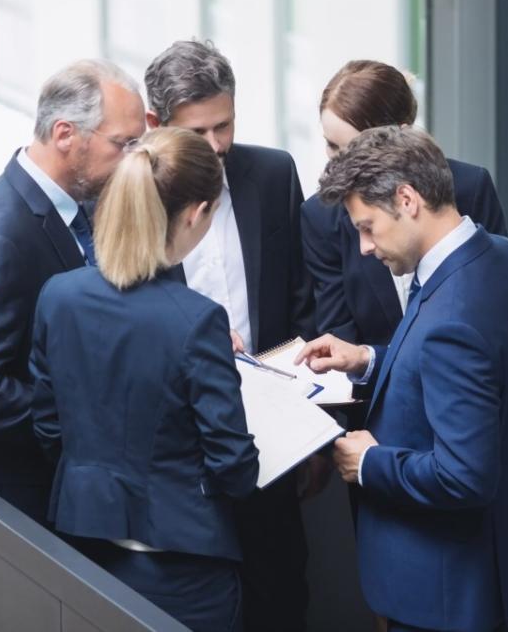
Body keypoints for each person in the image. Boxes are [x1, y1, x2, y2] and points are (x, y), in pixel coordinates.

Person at [296, 126, 508, 632]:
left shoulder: (451, 315)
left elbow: (463, 476)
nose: (365, 248)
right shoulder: (505, 260)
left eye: (368, 227)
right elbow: (464, 373)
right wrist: (369, 359)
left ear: (407, 199)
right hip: (505, 569)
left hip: (449, 595)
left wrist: (370, 463)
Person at [29, 127, 258, 631]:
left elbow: (48, 425)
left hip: (86, 545)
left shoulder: (58, 296)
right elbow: (234, 468)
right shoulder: (197, 320)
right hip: (182, 568)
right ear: (196, 213)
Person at [144, 39, 316, 632]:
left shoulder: (273, 173)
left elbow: (300, 300)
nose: (217, 145)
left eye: (226, 124)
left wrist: (307, 429)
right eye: (199, 132)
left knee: (281, 594)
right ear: (155, 125)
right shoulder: (130, 197)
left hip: (276, 441)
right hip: (180, 457)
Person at [0, 60, 146, 521]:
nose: (132, 159)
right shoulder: (0, 240)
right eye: (122, 144)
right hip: (23, 499)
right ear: (66, 134)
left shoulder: (80, 202)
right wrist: (79, 423)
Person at [301, 59, 508, 348]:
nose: (337, 163)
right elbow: (341, 340)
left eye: (352, 150)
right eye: (331, 145)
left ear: (400, 135)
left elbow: (498, 303)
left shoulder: (470, 189)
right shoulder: (322, 217)